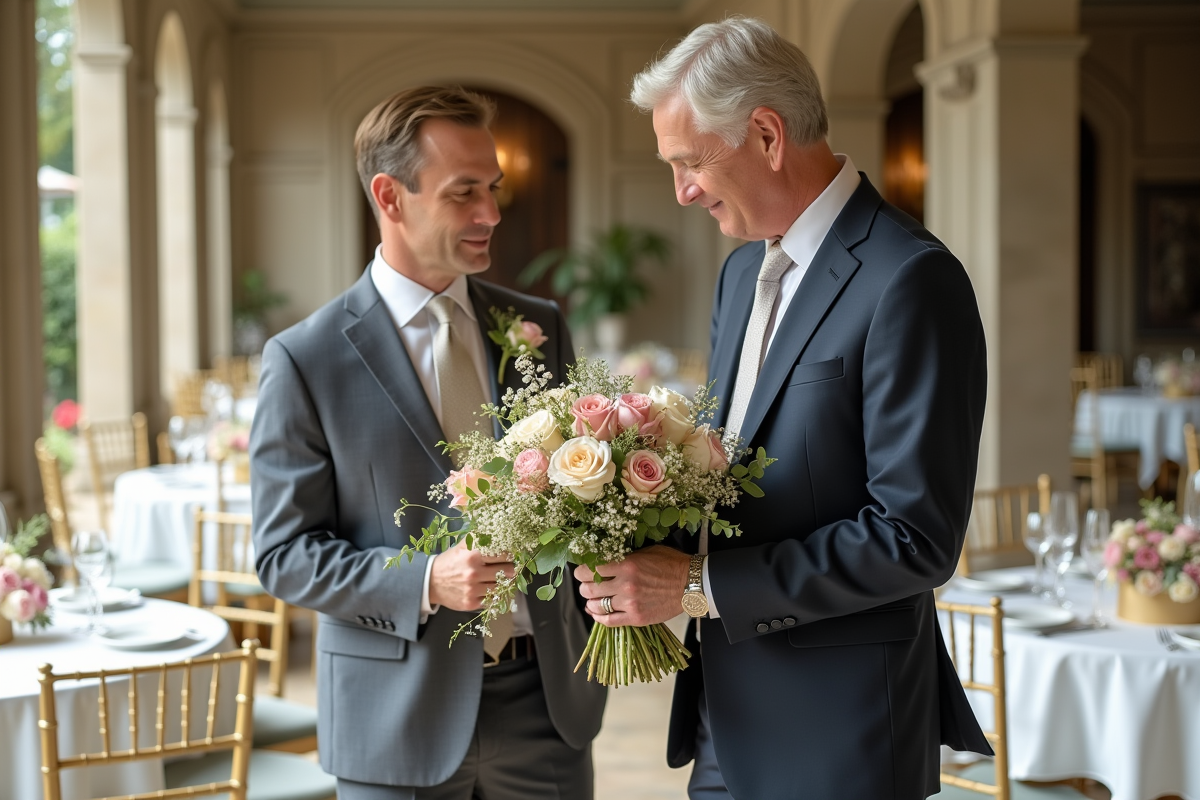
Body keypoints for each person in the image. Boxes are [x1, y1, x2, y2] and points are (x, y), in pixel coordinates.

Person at [574, 17, 992, 800]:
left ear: (766, 135)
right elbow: (739, 476)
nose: (682, 191)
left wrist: (696, 587)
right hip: (722, 717)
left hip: (841, 730)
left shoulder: (912, 280)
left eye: (690, 162)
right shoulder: (739, 276)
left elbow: (914, 539)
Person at [251, 85, 605, 800]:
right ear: (390, 196)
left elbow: (579, 506)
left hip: (547, 709)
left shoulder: (539, 326)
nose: (492, 214)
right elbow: (282, 555)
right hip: (394, 719)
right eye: (463, 192)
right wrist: (423, 581)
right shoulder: (305, 358)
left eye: (495, 189)